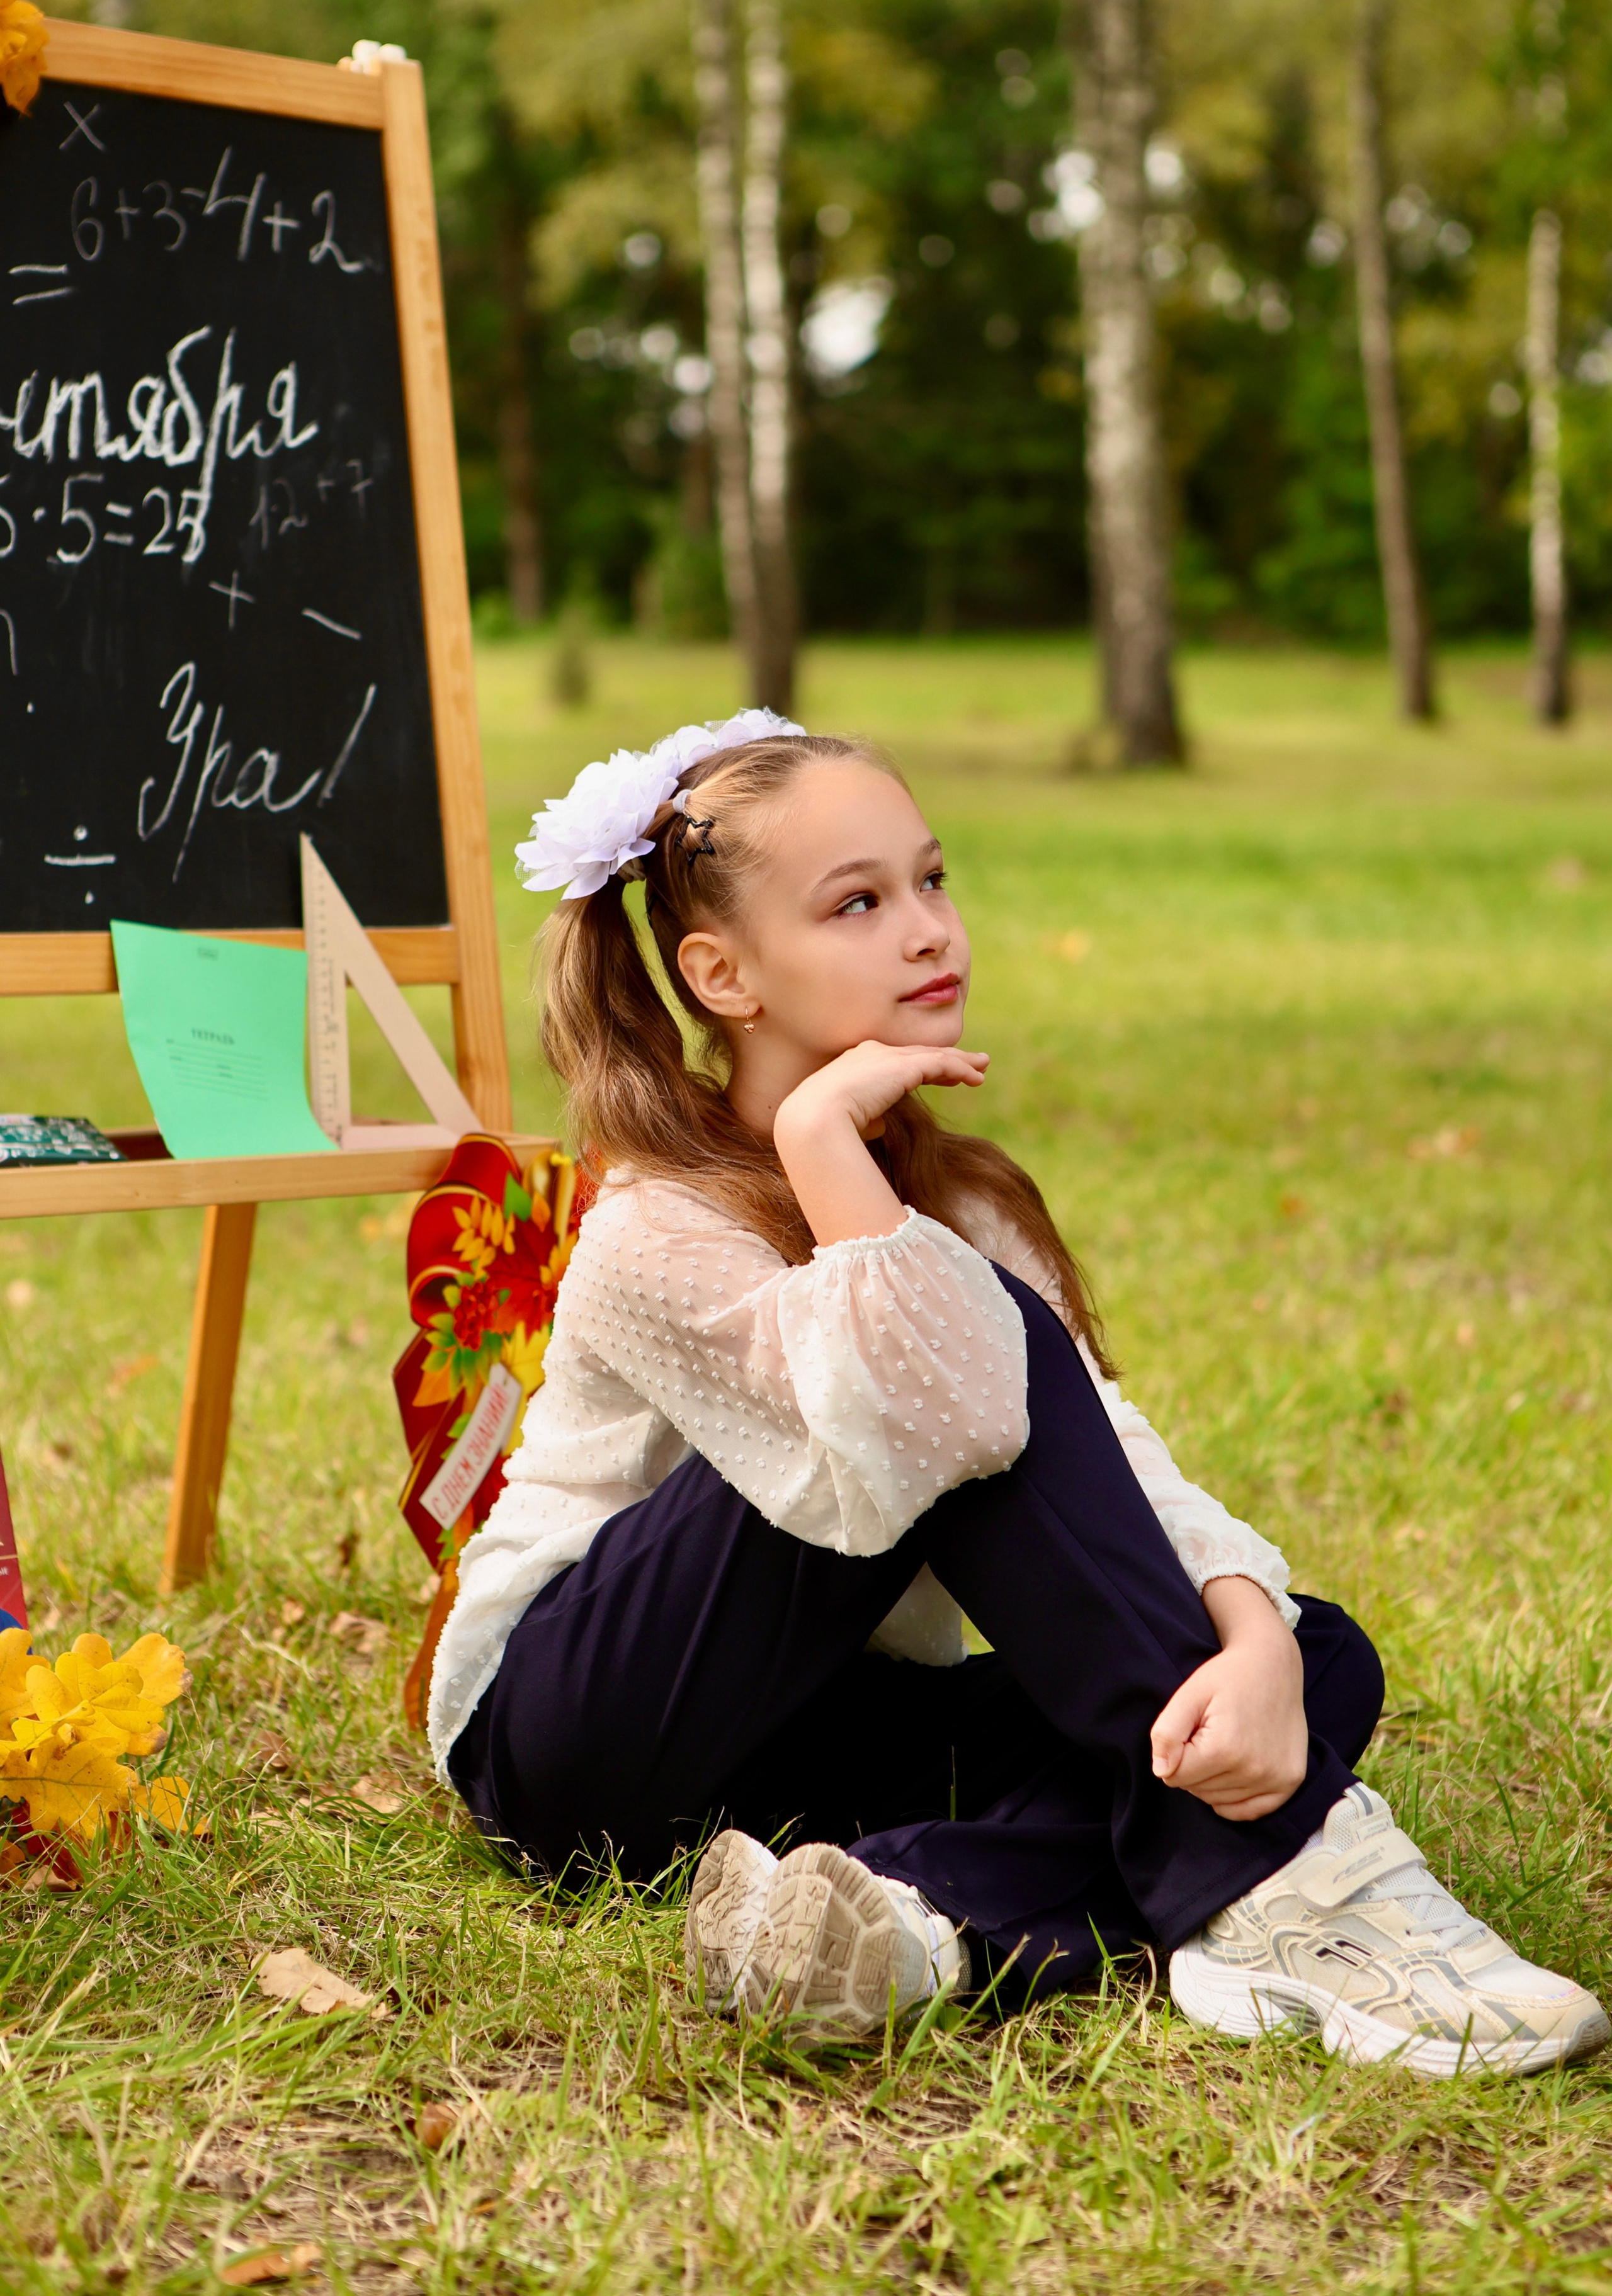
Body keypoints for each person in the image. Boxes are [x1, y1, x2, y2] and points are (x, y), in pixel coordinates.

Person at [431, 711, 1607, 2078]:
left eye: (931, 881)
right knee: (946, 1361)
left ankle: (917, 1925)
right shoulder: (657, 1225)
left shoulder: (965, 1195)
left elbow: (1107, 1452)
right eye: (858, 903)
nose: (927, 930)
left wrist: (1247, 1630)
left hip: (815, 1739)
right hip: (580, 1741)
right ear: (721, 973)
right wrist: (816, 1136)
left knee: (1306, 1659)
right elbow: (919, 1422)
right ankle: (1296, 1880)